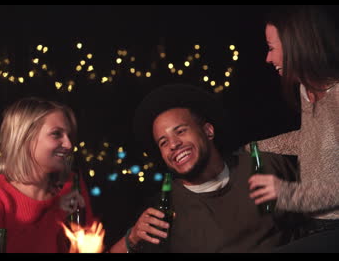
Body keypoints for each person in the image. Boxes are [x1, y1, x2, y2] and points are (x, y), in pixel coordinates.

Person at [108, 83, 300, 253]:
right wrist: (132, 239)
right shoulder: (165, 209)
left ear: (208, 131)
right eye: (163, 142)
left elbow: (319, 223)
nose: (173, 145)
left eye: (180, 131)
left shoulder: (263, 166)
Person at [247, 5, 339, 252]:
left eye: (271, 48)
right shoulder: (306, 91)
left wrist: (284, 193)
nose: (268, 58)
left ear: (296, 44)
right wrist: (253, 148)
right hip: (313, 223)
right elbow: (312, 139)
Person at [0, 97, 94, 253]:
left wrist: (131, 239)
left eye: (69, 135)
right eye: (56, 134)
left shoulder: (71, 186)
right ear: (25, 137)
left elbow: (91, 248)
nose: (68, 144)